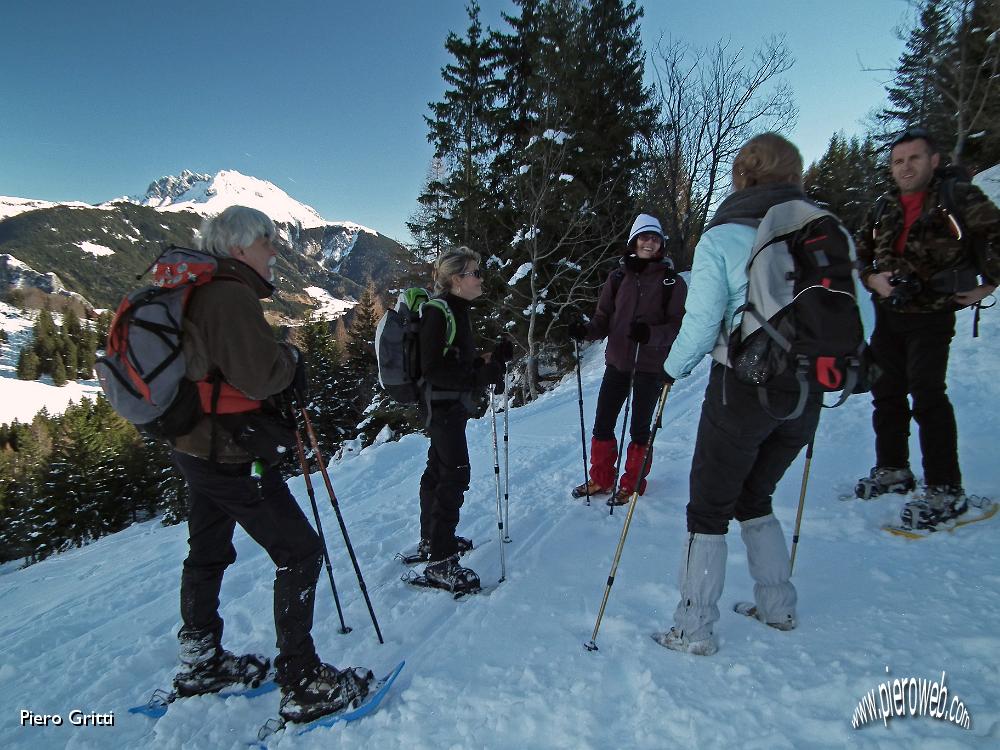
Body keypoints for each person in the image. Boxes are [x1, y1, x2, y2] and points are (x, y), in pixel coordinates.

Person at [170, 205, 373, 723]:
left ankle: (201, 659)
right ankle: (302, 681)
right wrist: (292, 358)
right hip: (230, 452)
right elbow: (262, 376)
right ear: (240, 248)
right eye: (266, 241)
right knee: (300, 551)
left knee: (208, 549)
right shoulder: (229, 295)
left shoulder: (196, 289)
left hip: (193, 445)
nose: (274, 250)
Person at [654, 134, 821, 656]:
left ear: (742, 176)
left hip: (741, 390)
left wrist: (669, 371)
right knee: (757, 497)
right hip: (807, 393)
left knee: (709, 507)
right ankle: (778, 606)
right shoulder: (824, 233)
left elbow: (703, 324)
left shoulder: (724, 238)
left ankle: (694, 626)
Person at [855, 127, 1000, 528]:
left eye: (914, 158)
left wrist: (987, 284)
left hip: (934, 312)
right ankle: (892, 468)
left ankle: (944, 487)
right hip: (889, 312)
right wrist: (871, 279)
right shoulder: (883, 207)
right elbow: (859, 254)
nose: (905, 167)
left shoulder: (958, 197)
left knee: (927, 394)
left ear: (934, 160)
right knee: (885, 392)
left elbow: (995, 236)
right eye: (898, 161)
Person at [568, 213, 687, 505]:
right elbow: (603, 319)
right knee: (603, 423)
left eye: (655, 238)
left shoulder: (672, 281)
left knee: (639, 427)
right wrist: (585, 331)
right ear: (633, 241)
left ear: (661, 244)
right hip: (618, 362)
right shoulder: (618, 277)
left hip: (650, 366)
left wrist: (650, 334)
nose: (649, 242)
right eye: (644, 237)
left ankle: (632, 483)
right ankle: (602, 479)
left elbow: (678, 326)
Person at [415, 245, 510, 593]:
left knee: (439, 471)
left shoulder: (455, 310)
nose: (480, 278)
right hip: (442, 407)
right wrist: (479, 377)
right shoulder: (440, 312)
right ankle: (440, 560)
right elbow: (434, 368)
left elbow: (454, 358)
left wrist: (488, 361)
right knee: (454, 474)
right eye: (475, 272)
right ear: (457, 279)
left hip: (447, 406)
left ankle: (432, 540)